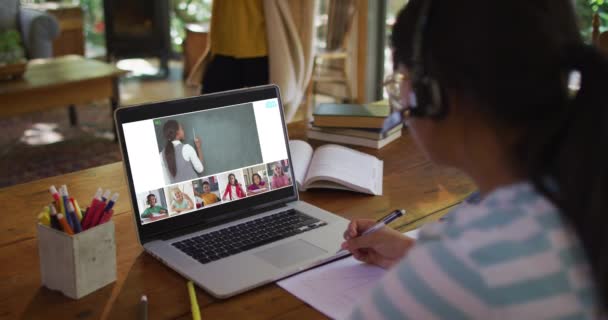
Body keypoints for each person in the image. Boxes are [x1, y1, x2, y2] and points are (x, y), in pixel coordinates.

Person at [341, 1, 605, 318]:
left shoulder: (467, 261)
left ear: (434, 94)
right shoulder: (580, 195)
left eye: (402, 79)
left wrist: (436, 270)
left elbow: (481, 271)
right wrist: (414, 254)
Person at [160, 120, 204, 184]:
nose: (184, 131)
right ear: (177, 133)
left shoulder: (161, 155)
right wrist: (199, 148)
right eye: (182, 129)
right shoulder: (187, 148)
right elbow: (200, 169)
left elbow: (167, 182)